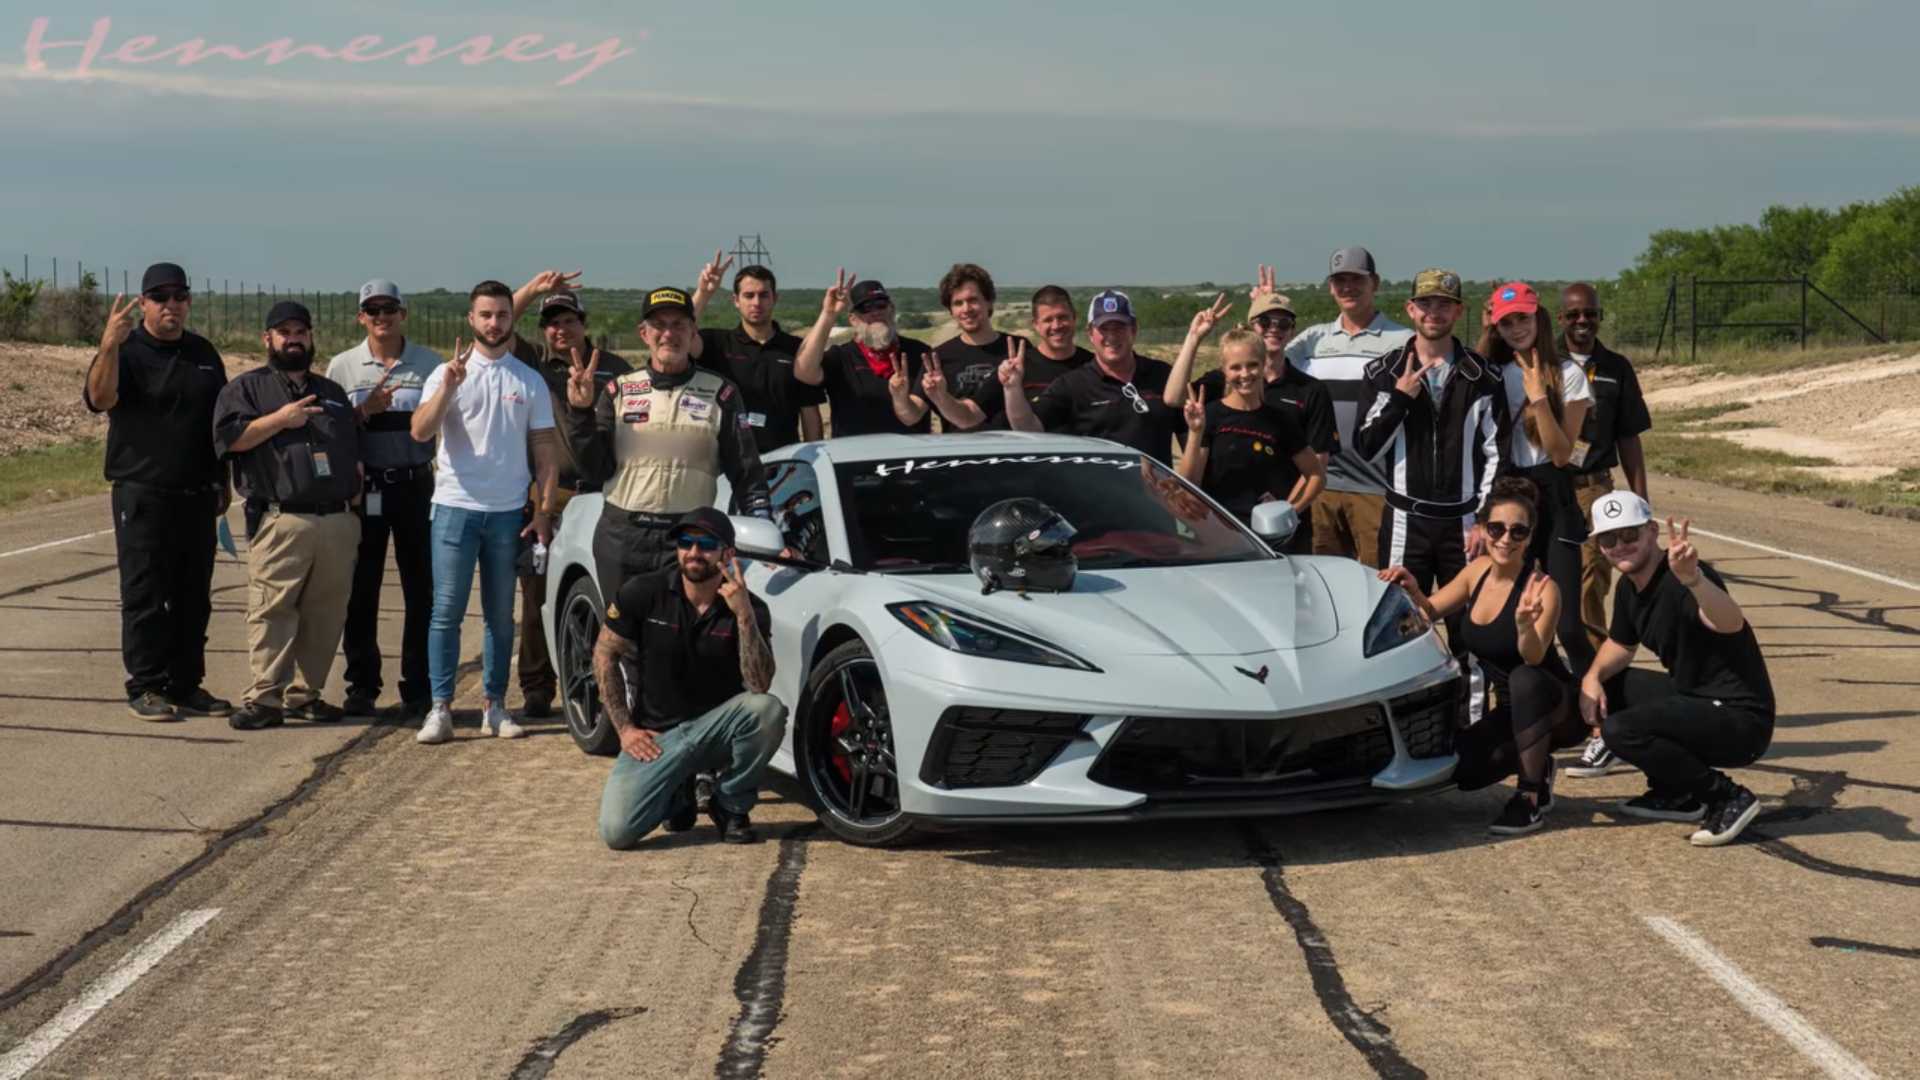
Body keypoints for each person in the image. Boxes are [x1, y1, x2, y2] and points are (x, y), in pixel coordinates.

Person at [1380, 477, 1586, 834]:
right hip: (1512, 712)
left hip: (1556, 706)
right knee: (1466, 770)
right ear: (1483, 530)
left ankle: (1529, 798)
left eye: (1518, 532)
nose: (1506, 539)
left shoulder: (1543, 588)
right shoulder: (1476, 572)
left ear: (1530, 537)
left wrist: (1523, 624)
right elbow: (1430, 612)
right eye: (1497, 528)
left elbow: (1534, 658)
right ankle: (1540, 766)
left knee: (1524, 678)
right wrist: (1413, 589)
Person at [408, 281, 561, 746]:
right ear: (471, 320)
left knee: (500, 615)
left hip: (507, 513)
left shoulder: (528, 380)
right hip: (454, 508)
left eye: (502, 315)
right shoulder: (445, 374)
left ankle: (496, 705)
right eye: (486, 315)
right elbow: (420, 432)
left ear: (512, 320)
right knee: (446, 612)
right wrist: (448, 389)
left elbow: (546, 453)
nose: (494, 323)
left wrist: (544, 511)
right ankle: (441, 709)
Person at [83, 263, 233, 722]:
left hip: (197, 493)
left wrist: (222, 482)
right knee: (146, 593)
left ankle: (186, 684)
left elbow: (218, 425)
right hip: (143, 494)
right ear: (144, 303)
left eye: (179, 296)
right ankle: (145, 685)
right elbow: (100, 399)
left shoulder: (203, 354)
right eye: (160, 296)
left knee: (194, 595)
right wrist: (108, 345)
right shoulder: (126, 351)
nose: (171, 305)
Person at [1579, 495, 1775, 846]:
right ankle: (1676, 792)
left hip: (1740, 719)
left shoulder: (1685, 577)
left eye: (1629, 535)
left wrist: (1695, 580)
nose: (1620, 546)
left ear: (1651, 531)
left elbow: (1730, 623)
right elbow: (1621, 646)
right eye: (1609, 539)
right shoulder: (1629, 586)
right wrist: (1592, 678)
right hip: (1695, 699)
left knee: (1621, 730)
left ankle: (1726, 796)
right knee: (1614, 685)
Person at [565, 287, 771, 605]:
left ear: (692, 331)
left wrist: (764, 526)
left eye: (678, 325)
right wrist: (579, 413)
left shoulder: (722, 393)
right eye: (659, 325)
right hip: (623, 536)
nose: (668, 334)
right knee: (624, 643)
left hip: (689, 539)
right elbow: (594, 469)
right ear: (644, 333)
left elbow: (746, 472)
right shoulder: (617, 390)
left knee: (683, 641)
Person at [212, 302, 365, 731]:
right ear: (268, 339)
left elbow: (351, 444)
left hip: (336, 521)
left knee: (325, 613)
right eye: (284, 332)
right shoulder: (246, 390)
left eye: (301, 331)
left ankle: (305, 694)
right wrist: (280, 420)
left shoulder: (331, 391)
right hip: (282, 518)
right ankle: (265, 696)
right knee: (272, 610)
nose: (293, 338)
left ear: (311, 337)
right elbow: (230, 441)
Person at [593, 508, 785, 848]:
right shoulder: (645, 592)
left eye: (706, 544)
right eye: (686, 542)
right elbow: (604, 654)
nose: (694, 552)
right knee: (616, 832)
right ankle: (678, 790)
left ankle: (729, 802)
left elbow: (759, 685)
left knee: (767, 709)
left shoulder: (749, 608)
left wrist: (743, 617)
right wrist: (624, 729)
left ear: (728, 553)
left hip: (716, 735)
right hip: (657, 739)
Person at [1353, 269, 1507, 643]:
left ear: (1458, 312)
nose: (1433, 312)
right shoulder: (1383, 372)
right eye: (1425, 304)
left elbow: (1497, 456)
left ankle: (1471, 703)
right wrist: (1401, 399)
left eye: (1444, 304)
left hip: (1465, 525)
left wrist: (1485, 521)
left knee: (1470, 630)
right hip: (1406, 523)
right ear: (1410, 309)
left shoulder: (1484, 376)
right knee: (1399, 628)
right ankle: (1412, 702)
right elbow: (1366, 447)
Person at [501, 285, 632, 719]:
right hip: (548, 501)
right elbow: (500, 325)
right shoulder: (532, 365)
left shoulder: (614, 369)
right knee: (537, 595)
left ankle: (610, 682)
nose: (561, 329)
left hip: (605, 496)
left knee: (609, 595)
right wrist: (535, 289)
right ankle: (538, 686)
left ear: (584, 324)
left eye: (568, 321)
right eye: (552, 323)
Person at [326, 279, 444, 719]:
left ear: (403, 313)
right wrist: (363, 412)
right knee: (362, 589)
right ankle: (362, 684)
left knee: (421, 590)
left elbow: (444, 428)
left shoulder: (430, 365)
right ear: (361, 317)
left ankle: (419, 685)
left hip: (416, 485)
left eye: (389, 308)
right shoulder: (342, 367)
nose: (381, 317)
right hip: (367, 490)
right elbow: (333, 431)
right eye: (372, 310)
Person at [1557, 282, 1653, 779]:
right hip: (1546, 489)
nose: (1582, 322)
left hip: (1595, 490)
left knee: (1590, 595)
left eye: (1590, 314)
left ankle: (1604, 726)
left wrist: (1640, 500)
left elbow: (1628, 438)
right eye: (1574, 314)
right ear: (1560, 318)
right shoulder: (1541, 364)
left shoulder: (1616, 368)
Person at [1477, 282, 1596, 677]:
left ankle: (1596, 703)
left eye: (1523, 318)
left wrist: (1539, 398)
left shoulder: (1569, 373)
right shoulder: (1490, 373)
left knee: (1567, 625)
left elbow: (1563, 454)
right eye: (1506, 322)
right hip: (1509, 493)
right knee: (1513, 615)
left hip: (1554, 492)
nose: (1516, 328)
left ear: (1539, 318)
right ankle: (1540, 699)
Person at [1172, 283, 1336, 553]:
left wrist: (1291, 511)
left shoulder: (1281, 419)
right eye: (1235, 367)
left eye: (1252, 366)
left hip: (1273, 540)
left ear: (1262, 366)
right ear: (1223, 371)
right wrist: (1194, 431)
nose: (1245, 374)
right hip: (1219, 538)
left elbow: (1316, 475)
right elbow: (1188, 483)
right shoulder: (1210, 415)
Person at [1284, 248, 1413, 565]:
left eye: (1356, 279)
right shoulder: (1313, 340)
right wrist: (1262, 312)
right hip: (1322, 487)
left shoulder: (1403, 341)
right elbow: (1263, 367)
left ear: (1375, 283)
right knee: (1327, 585)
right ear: (1330, 287)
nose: (1347, 288)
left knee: (1377, 583)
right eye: (1339, 280)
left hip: (1377, 489)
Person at [1003, 289, 1184, 464]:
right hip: (1098, 494)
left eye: (1119, 327)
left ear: (1134, 330)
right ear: (1090, 333)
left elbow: (1191, 435)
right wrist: (1012, 389)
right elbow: (1028, 427)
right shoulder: (1073, 384)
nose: (1111, 336)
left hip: (1155, 493)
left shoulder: (1163, 375)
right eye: (1104, 328)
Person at [688, 263, 826, 453]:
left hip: (783, 462)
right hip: (726, 464)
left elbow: (809, 412)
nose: (756, 302)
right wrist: (704, 293)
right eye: (748, 295)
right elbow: (681, 336)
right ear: (736, 300)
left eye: (763, 295)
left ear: (774, 298)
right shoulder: (717, 343)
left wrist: (811, 459)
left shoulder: (796, 349)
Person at [794, 272, 934, 436]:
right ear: (853, 319)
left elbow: (915, 415)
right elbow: (804, 372)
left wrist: (901, 398)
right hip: (856, 457)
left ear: (892, 310)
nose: (875, 313)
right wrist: (829, 314)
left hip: (909, 458)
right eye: (865, 308)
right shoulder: (841, 357)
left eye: (881, 305)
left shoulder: (919, 353)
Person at [922, 263, 1012, 431]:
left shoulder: (1016, 349)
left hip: (1009, 451)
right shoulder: (938, 358)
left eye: (973, 300)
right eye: (958, 303)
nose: (966, 309)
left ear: (989, 302)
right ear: (950, 310)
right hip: (960, 453)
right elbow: (910, 414)